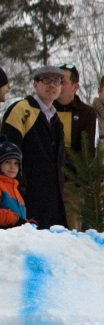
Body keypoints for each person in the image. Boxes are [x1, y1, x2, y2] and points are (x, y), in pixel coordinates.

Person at [1, 65, 68, 229]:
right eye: (46, 80)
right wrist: (19, 186)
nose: (51, 85)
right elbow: (7, 150)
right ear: (35, 84)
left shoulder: (55, 118)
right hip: (27, 195)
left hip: (53, 198)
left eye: (56, 81)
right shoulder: (22, 110)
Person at [54, 63, 99, 229]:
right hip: (45, 180)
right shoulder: (44, 109)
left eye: (62, 81)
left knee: (71, 225)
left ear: (75, 86)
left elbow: (87, 153)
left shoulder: (87, 113)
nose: (57, 86)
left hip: (72, 183)